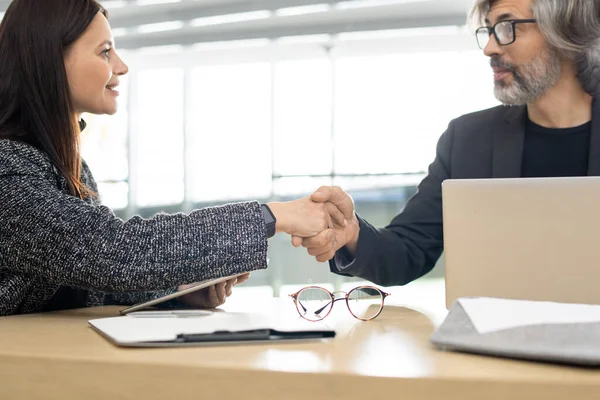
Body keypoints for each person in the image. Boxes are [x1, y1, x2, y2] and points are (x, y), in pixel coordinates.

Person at [0, 0, 343, 316]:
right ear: (49, 61)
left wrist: (178, 291)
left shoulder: (71, 169)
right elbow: (113, 252)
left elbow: (84, 285)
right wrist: (273, 216)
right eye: (105, 52)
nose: (121, 66)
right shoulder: (7, 170)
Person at [295, 0, 600, 286]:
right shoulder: (469, 138)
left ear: (565, 31)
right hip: (497, 336)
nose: (490, 48)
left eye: (508, 27)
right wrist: (353, 234)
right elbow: (410, 248)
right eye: (489, 30)